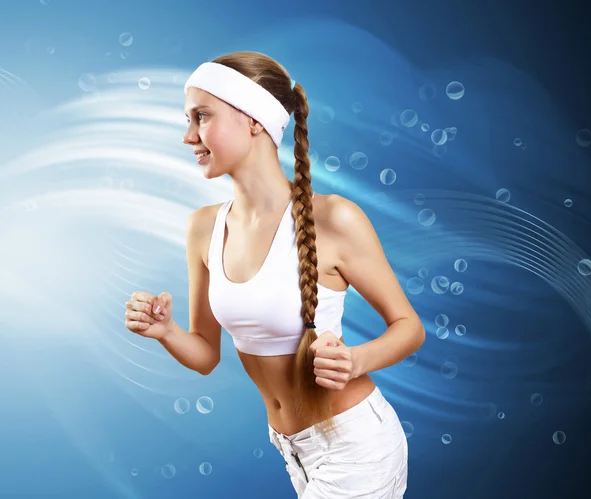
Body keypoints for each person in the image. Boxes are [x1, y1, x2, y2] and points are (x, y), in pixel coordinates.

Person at [124, 51, 425, 498]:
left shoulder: (334, 219)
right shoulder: (204, 227)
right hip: (291, 450)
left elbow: (410, 328)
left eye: (201, 117)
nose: (189, 136)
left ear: (254, 120)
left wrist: (355, 361)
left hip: (356, 446)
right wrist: (166, 331)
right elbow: (207, 355)